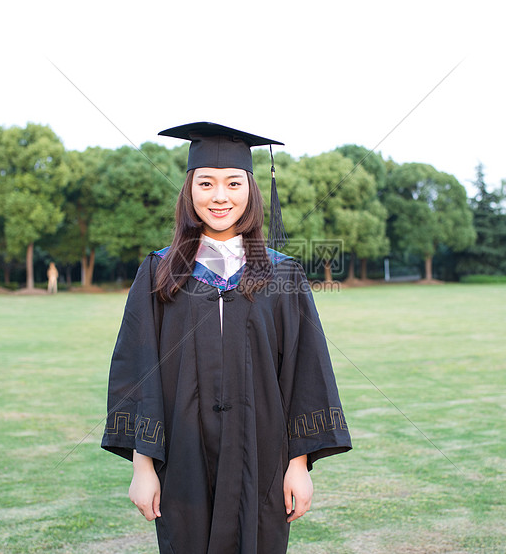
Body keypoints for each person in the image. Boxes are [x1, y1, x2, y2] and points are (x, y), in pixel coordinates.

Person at [102, 122, 352, 554]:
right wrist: (143, 465)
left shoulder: (282, 273)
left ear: (251, 190)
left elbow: (304, 371)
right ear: (189, 189)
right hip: (182, 459)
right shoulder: (160, 271)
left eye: (234, 183)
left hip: (263, 456)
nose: (220, 196)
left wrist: (299, 464)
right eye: (207, 183)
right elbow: (138, 370)